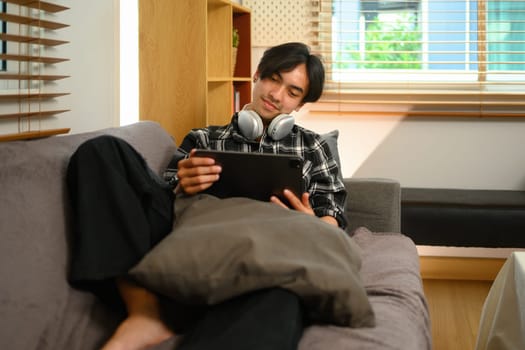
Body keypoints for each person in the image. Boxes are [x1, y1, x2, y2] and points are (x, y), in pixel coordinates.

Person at [66, 42, 347, 350]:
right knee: (102, 151)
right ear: (257, 75)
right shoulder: (204, 138)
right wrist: (180, 183)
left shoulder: (313, 147)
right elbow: (161, 199)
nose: (276, 95)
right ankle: (143, 311)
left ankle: (210, 314)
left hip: (265, 256)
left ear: (299, 105)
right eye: (273, 79)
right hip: (192, 238)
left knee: (281, 301)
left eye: (292, 92)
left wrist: (316, 224)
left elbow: (333, 212)